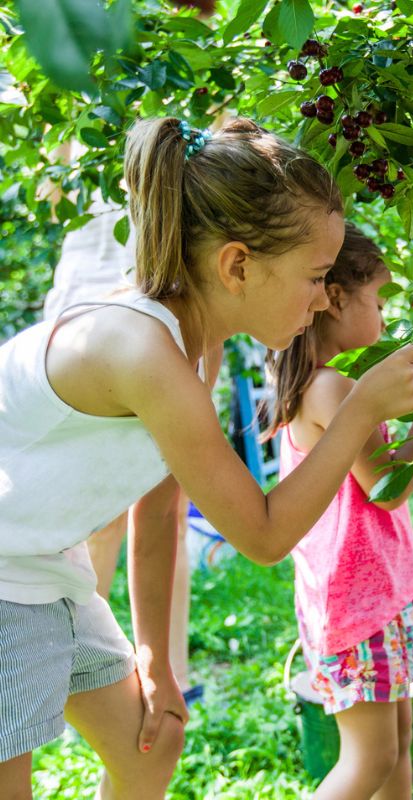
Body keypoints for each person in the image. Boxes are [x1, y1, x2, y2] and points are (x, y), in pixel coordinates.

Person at [0, 117, 413, 800]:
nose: (325, 298)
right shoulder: (142, 352)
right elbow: (262, 535)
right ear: (237, 265)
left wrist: (154, 655)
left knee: (150, 751)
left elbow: (161, 509)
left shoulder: (192, 349)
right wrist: (360, 413)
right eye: (317, 276)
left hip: (43, 567)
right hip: (4, 580)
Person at [266, 224, 413, 800]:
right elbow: (389, 487)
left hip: (377, 597)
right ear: (338, 297)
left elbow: (385, 471)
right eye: (378, 300)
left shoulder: (333, 385)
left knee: (395, 750)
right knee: (370, 760)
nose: (384, 317)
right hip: (356, 603)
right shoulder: (328, 389)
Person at [42, 190, 198, 701]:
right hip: (86, 293)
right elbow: (54, 202)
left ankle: (169, 669)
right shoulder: (73, 117)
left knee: (166, 500)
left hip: (167, 288)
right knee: (96, 513)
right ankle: (86, 669)